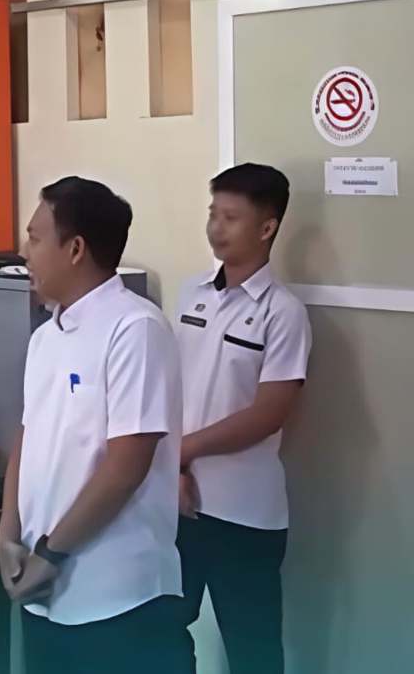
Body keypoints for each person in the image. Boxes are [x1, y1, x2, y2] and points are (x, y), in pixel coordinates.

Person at [0, 176, 187, 674]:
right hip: (46, 590)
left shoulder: (135, 328)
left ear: (75, 249)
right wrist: (7, 533)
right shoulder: (46, 337)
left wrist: (52, 553)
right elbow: (28, 435)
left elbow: (126, 466)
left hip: (119, 597)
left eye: (35, 238)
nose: (24, 253)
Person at [175, 164, 311, 674]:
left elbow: (268, 414)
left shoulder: (284, 312)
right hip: (180, 503)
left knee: (253, 651)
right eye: (213, 213)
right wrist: (173, 467)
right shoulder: (192, 294)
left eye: (231, 217)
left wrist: (183, 451)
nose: (216, 227)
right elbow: (168, 392)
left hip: (245, 516)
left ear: (267, 227)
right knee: (162, 632)